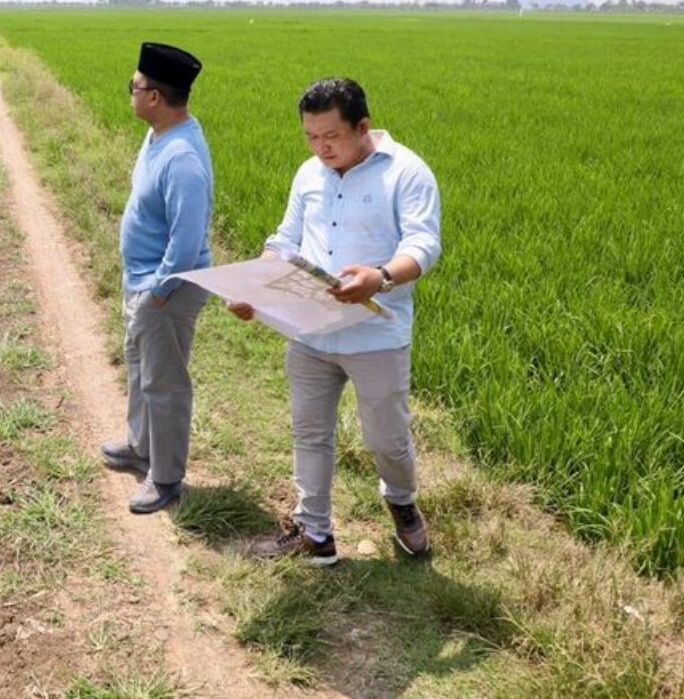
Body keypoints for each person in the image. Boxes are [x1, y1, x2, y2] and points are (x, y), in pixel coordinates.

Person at [228, 77, 441, 562]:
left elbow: (423, 245)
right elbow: (285, 239)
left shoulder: (406, 173)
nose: (321, 147)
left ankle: (402, 500)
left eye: (331, 136)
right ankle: (315, 532)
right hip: (310, 332)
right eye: (311, 137)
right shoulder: (309, 174)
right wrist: (253, 286)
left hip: (376, 336)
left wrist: (380, 277)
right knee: (309, 433)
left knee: (386, 440)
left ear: (362, 126)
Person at [100, 42, 213, 514]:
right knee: (140, 369)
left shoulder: (182, 157)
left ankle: (165, 477)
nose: (131, 93)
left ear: (155, 97)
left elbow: (186, 242)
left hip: (166, 289)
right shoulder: (159, 135)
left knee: (164, 384)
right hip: (142, 281)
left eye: (135, 87)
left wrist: (158, 293)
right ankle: (140, 446)